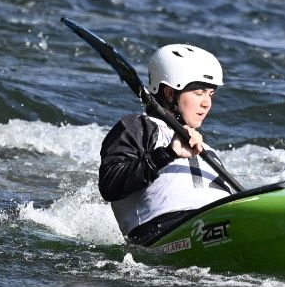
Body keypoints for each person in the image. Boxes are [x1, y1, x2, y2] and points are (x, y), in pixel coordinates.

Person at [99, 43, 231, 244]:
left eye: (210, 94)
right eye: (199, 93)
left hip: (221, 222)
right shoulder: (137, 127)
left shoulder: (205, 148)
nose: (207, 103)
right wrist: (167, 154)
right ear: (170, 94)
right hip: (162, 234)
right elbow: (110, 185)